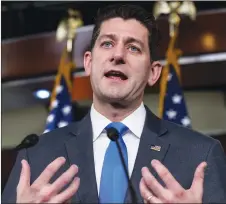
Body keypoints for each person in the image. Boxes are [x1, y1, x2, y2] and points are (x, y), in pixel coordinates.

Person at [2, 4, 226, 204]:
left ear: (153, 73)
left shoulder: (200, 154)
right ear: (88, 63)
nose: (118, 55)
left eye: (133, 48)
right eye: (107, 43)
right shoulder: (36, 155)